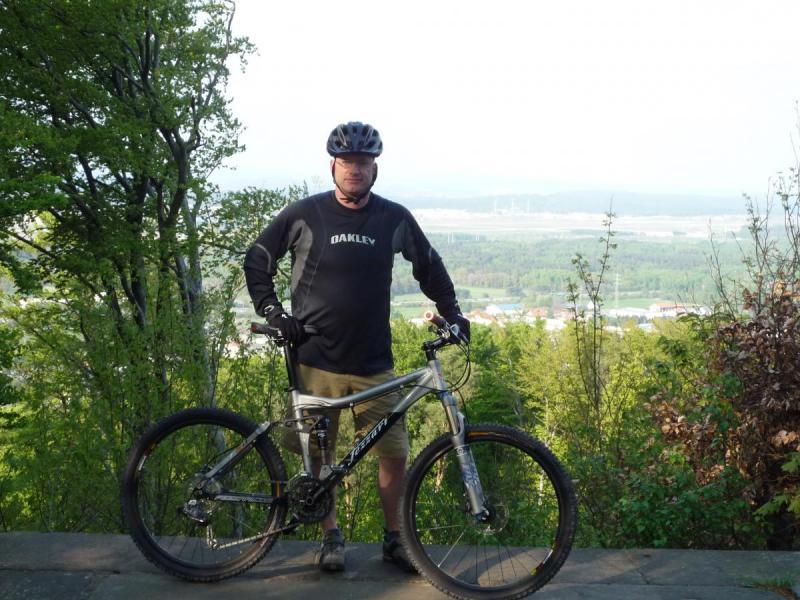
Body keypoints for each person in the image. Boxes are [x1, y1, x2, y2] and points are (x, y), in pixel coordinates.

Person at [243, 121, 469, 573]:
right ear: (333, 166)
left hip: (372, 361)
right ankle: (330, 537)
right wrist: (273, 314)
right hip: (314, 360)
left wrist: (454, 312)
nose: (354, 170)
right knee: (319, 457)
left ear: (374, 170)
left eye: (363, 163)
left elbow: (429, 266)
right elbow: (258, 259)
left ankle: (395, 538)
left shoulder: (392, 218)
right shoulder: (305, 214)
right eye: (347, 162)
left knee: (394, 455)